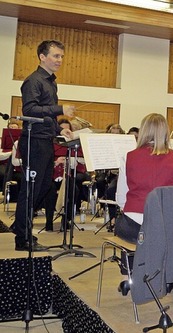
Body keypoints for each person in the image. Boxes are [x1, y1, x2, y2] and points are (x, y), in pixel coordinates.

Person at [114, 113, 173, 295]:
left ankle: (130, 276)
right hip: (166, 227)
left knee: (125, 225)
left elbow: (120, 198)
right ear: (165, 133)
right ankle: (167, 276)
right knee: (171, 230)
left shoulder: (129, 157)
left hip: (134, 226)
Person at [11, 40, 75, 251]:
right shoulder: (34, 81)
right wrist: (60, 109)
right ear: (42, 57)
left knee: (44, 186)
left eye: (61, 57)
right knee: (31, 190)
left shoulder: (51, 82)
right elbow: (30, 110)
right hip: (34, 142)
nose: (60, 60)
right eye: (56, 56)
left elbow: (46, 115)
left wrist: (59, 130)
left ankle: (21, 224)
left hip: (45, 140)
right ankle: (22, 238)